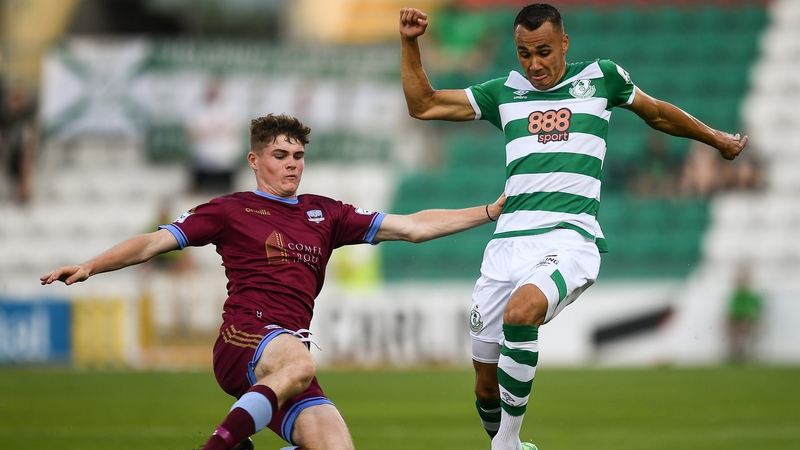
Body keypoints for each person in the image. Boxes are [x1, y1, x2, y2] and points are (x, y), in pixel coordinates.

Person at [41, 113, 505, 450]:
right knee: (301, 364)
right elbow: (151, 244)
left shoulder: (326, 213)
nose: (292, 165)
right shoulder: (229, 209)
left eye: (298, 156)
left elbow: (415, 227)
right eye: (280, 155)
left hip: (286, 352)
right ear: (254, 159)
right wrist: (90, 265)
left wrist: (489, 211)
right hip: (245, 336)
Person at [398, 5, 748, 450]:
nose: (535, 64)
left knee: (521, 314)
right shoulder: (504, 91)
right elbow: (422, 104)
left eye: (544, 51)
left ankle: (506, 443)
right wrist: (410, 42)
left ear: (564, 43)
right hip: (506, 245)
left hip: (569, 237)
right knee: (485, 388)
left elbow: (657, 113)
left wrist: (716, 139)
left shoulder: (602, 78)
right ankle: (508, 443)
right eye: (524, 54)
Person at [725, 265, 764, 363]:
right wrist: (735, 323)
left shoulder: (752, 296)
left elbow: (753, 314)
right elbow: (730, 313)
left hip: (750, 324)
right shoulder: (735, 296)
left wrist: (743, 323)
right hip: (737, 324)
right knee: (731, 330)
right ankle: (736, 354)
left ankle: (745, 354)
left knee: (747, 331)